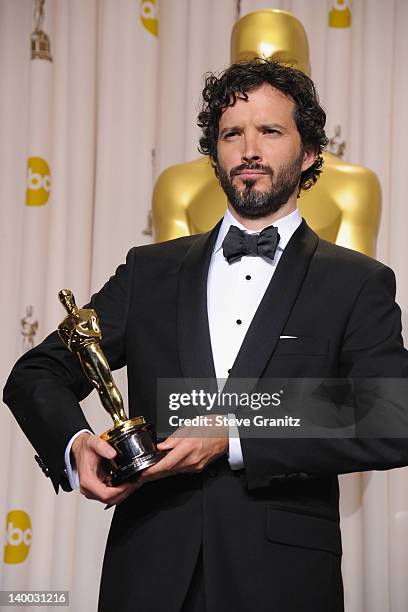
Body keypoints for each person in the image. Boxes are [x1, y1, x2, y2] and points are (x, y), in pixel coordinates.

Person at [4, 59, 408, 612]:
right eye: (231, 133)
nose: (249, 149)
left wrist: (237, 431)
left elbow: (393, 414)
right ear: (214, 152)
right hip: (147, 573)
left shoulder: (357, 283)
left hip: (284, 581)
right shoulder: (149, 272)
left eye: (270, 131)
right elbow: (37, 372)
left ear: (310, 151)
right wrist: (77, 447)